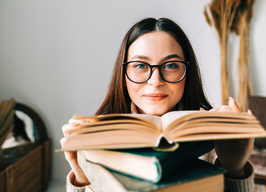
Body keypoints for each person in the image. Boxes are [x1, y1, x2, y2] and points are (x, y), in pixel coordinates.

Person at [61, 18, 255, 192]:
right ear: (123, 77)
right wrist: (82, 176)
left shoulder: (217, 137)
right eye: (140, 66)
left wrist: (235, 169)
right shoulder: (98, 135)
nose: (155, 81)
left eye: (170, 65)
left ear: (188, 74)